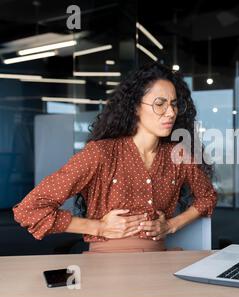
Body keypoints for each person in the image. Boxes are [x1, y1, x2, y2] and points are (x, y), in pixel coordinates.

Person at [13, 63, 217, 253]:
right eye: (160, 104)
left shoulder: (178, 156)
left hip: (159, 261)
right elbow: (29, 210)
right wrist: (99, 227)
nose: (171, 112)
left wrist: (172, 225)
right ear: (135, 107)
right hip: (108, 265)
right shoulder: (100, 154)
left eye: (173, 104)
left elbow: (207, 197)